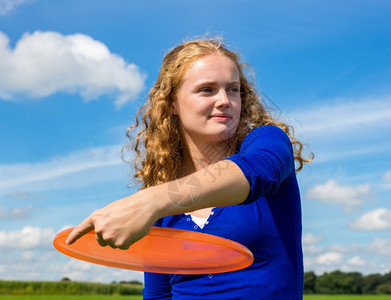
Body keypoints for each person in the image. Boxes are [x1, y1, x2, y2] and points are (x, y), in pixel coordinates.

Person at [67, 37, 312, 299]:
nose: (225, 100)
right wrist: (155, 201)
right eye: (207, 90)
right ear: (172, 103)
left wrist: (151, 201)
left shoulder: (268, 141)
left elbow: (256, 171)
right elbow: (158, 294)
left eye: (233, 89)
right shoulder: (161, 203)